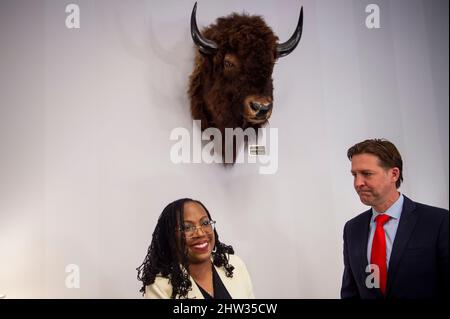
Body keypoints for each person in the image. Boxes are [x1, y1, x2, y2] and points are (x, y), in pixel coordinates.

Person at [341, 138, 449, 299]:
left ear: (394, 174)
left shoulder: (438, 222)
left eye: (366, 174)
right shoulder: (352, 228)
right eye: (354, 174)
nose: (358, 183)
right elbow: (351, 292)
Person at [137, 198, 255, 299]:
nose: (200, 233)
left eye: (205, 223)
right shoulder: (160, 286)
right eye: (187, 227)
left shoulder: (234, 265)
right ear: (170, 236)